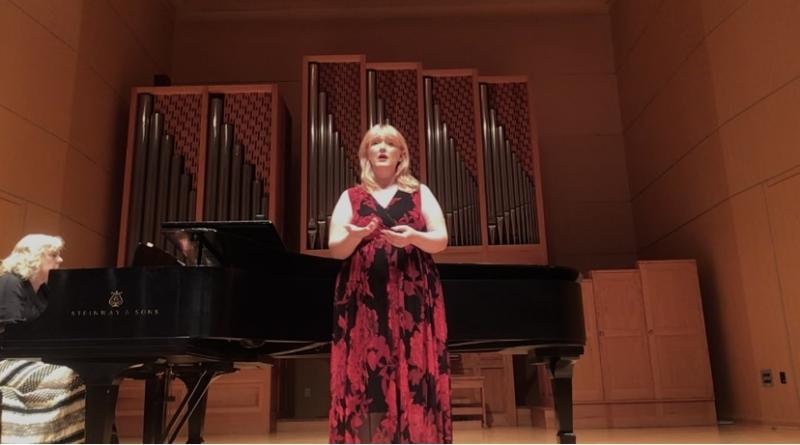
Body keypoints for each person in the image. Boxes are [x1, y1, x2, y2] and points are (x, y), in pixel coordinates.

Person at [328, 124, 452, 443]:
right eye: (375, 143)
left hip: (412, 294)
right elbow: (336, 248)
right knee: (365, 375)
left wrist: (414, 237)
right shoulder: (350, 197)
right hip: (362, 297)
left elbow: (440, 239)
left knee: (414, 368)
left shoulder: (420, 193)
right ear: (366, 154)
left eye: (390, 143)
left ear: (401, 155)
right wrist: (353, 236)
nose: (382, 147)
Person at [0, 234, 85, 444]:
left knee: (87, 375)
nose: (60, 260)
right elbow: (10, 334)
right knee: (73, 377)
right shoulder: (10, 282)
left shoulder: (44, 292)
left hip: (31, 358)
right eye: (54, 255)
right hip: (6, 360)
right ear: (34, 257)